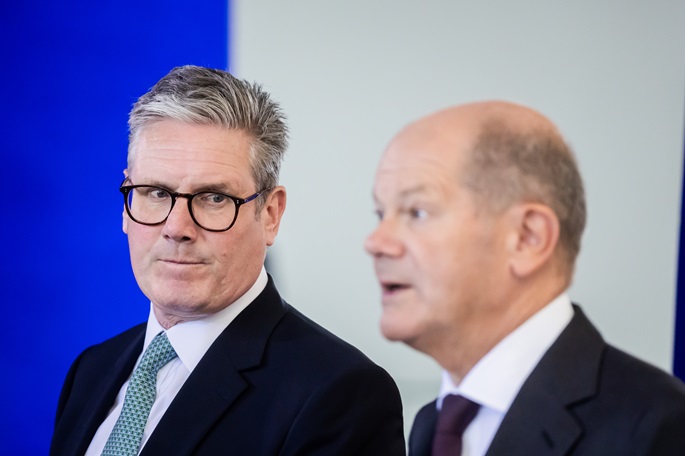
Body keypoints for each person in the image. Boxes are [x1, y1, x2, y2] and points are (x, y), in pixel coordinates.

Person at [51, 65, 405, 456]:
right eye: (155, 192)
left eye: (214, 198)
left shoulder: (340, 395)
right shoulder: (90, 371)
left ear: (270, 215)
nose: (177, 228)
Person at [365, 100, 685, 455]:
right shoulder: (433, 424)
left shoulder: (659, 428)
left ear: (527, 238)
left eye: (417, 212)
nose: (375, 242)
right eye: (380, 214)